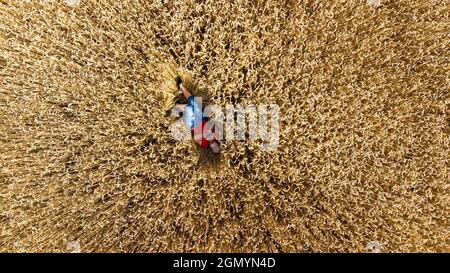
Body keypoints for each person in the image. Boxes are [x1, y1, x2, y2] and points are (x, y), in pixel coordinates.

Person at [173, 76, 220, 154]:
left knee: (188, 108)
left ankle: (175, 106)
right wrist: (210, 129)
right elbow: (213, 123)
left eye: (212, 144)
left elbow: (196, 139)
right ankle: (180, 85)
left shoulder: (204, 144)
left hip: (193, 124)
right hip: (201, 118)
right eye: (214, 142)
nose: (212, 142)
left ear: (211, 147)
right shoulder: (216, 135)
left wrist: (201, 135)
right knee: (193, 101)